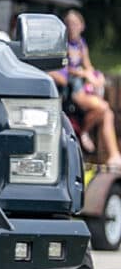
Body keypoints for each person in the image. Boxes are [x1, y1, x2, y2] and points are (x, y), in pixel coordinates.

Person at [48, 9, 121, 167]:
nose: (72, 27)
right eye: (68, 24)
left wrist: (95, 75)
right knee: (104, 107)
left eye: (75, 23)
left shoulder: (81, 44)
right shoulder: (61, 44)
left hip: (80, 85)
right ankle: (85, 133)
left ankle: (113, 156)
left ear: (82, 26)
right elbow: (62, 69)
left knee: (107, 114)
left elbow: (88, 65)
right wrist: (83, 74)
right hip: (71, 90)